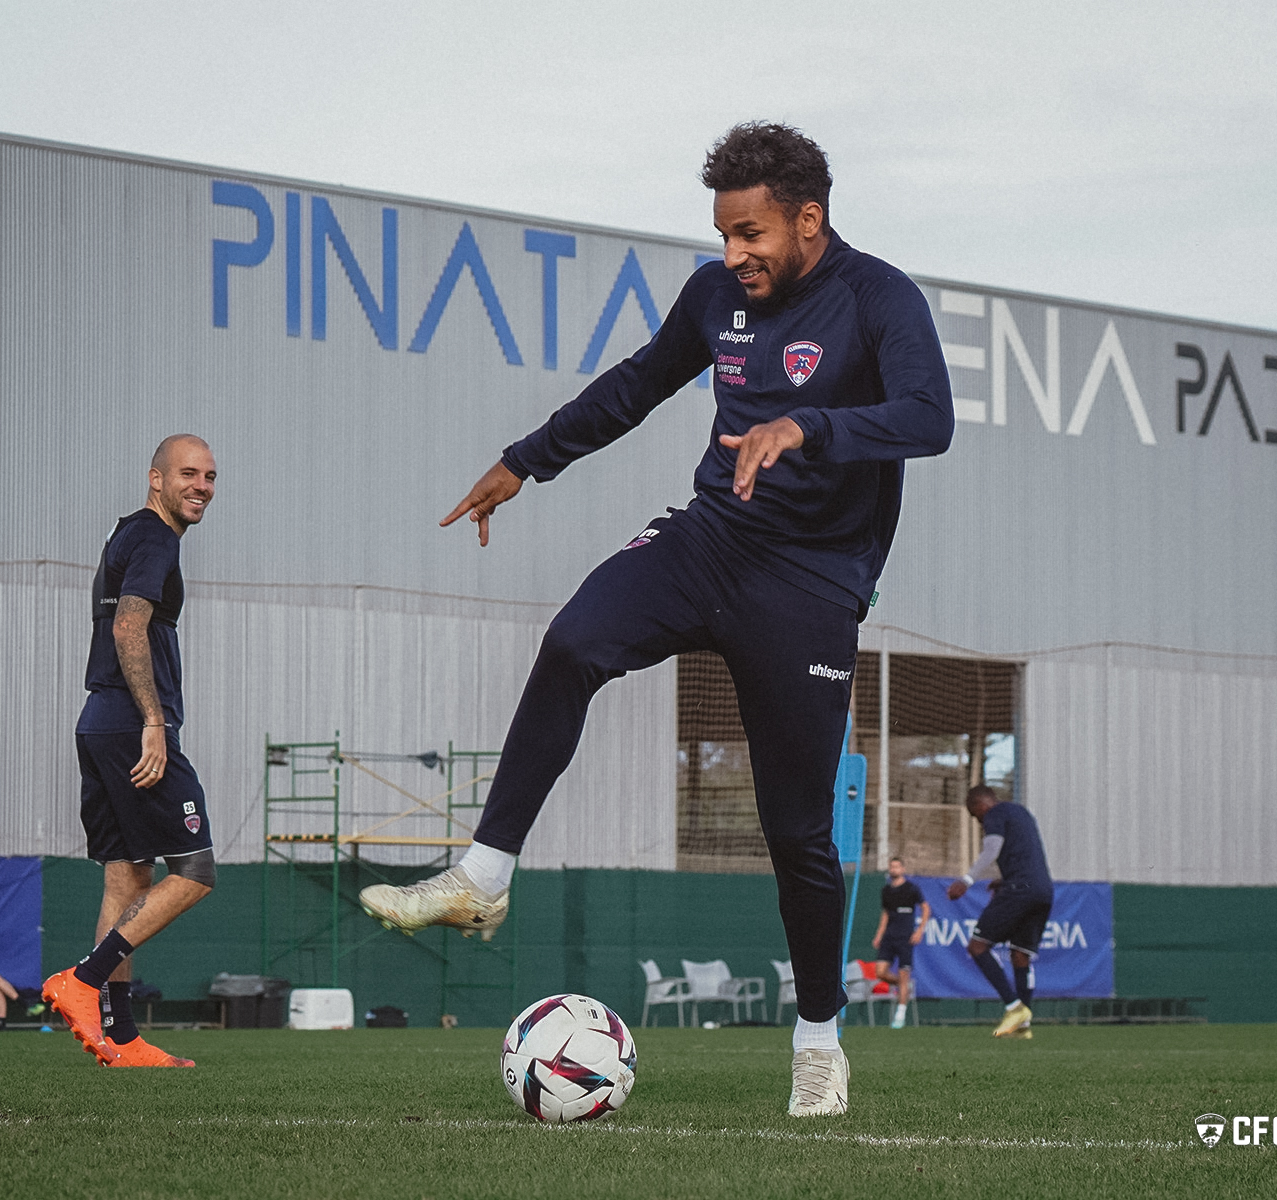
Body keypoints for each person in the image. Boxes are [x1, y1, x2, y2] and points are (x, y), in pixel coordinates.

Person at [360, 122, 953, 1117]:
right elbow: (639, 382)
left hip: (810, 583)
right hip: (709, 539)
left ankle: (816, 1042)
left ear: (807, 221)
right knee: (572, 641)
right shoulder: (716, 297)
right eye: (723, 234)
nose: (733, 256)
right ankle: (483, 875)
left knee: (796, 832)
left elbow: (927, 419)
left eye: (751, 234)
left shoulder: (878, 298)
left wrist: (808, 423)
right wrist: (527, 458)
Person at [42, 434, 220, 1068]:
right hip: (131, 724)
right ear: (156, 480)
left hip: (99, 719)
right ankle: (84, 981)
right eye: (187, 474)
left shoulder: (127, 533)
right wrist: (153, 721)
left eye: (209, 476)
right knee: (195, 871)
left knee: (127, 877)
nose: (200, 486)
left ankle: (119, 1037)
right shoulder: (155, 536)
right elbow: (128, 624)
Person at [947, 784, 1054, 1039]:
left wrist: (967, 880)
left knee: (977, 946)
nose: (979, 822)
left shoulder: (994, 814)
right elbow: (1025, 853)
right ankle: (1023, 1026)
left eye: (976, 816)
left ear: (980, 805)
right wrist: (1003, 880)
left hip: (1019, 890)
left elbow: (992, 850)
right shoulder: (1021, 812)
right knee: (1021, 956)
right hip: (1042, 889)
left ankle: (1014, 1007)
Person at [870, 857, 929, 1029]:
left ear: (902, 869)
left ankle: (900, 1015)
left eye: (897, 866)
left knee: (904, 974)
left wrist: (919, 931)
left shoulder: (912, 888)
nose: (894, 869)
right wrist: (879, 934)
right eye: (892, 867)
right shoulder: (886, 890)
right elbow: (885, 913)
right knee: (880, 972)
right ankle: (904, 987)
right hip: (889, 936)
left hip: (905, 938)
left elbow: (925, 908)